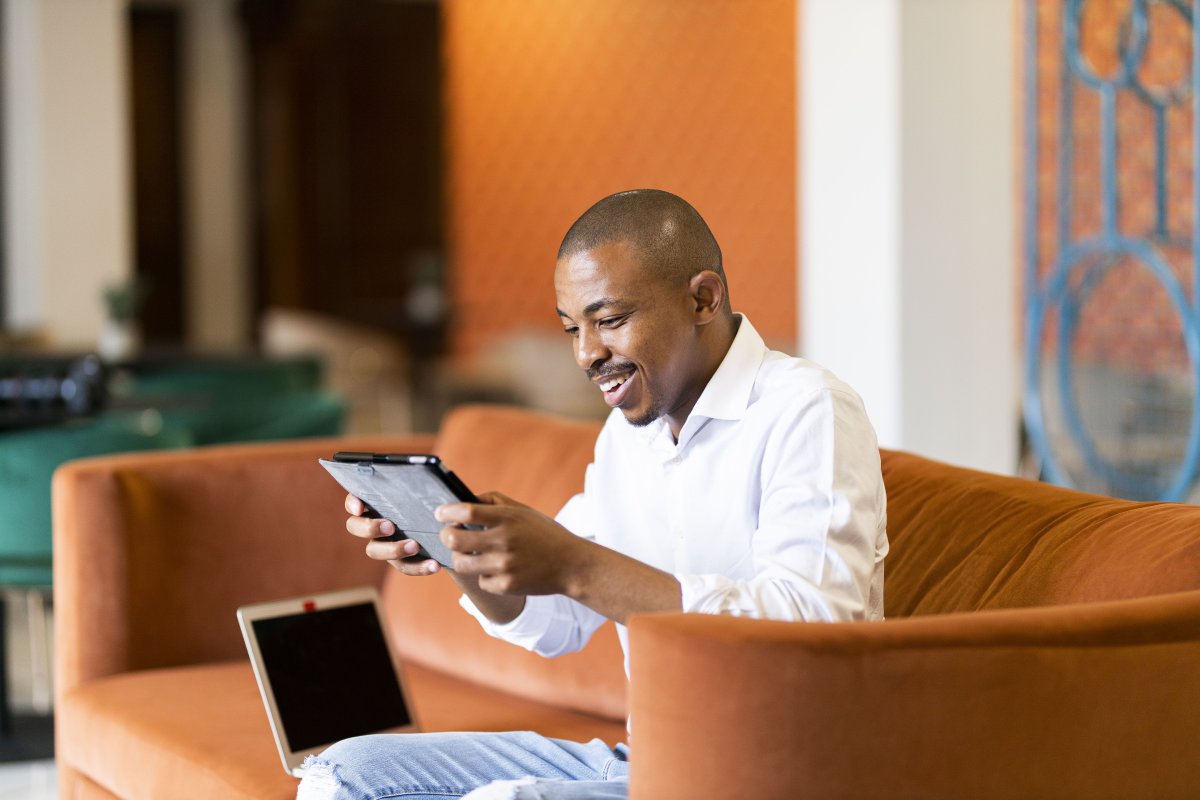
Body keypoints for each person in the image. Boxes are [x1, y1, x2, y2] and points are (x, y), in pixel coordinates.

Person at [297, 189, 888, 800]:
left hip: (775, 774)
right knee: (342, 771)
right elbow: (553, 624)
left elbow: (812, 629)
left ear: (702, 299)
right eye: (571, 328)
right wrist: (461, 552)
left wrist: (575, 564)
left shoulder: (807, 408)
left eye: (609, 320)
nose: (586, 353)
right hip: (649, 761)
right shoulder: (629, 438)